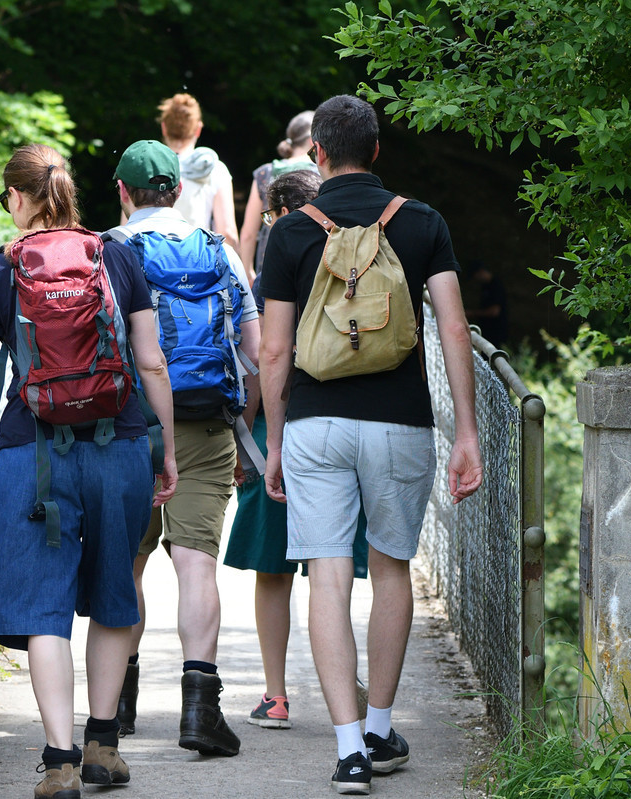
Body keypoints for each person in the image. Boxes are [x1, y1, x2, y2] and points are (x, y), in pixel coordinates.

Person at [258, 95, 483, 795]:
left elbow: (273, 351)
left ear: (317, 153)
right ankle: (382, 726)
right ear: (377, 150)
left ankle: (349, 748)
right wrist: (467, 431)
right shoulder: (421, 222)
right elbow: (453, 329)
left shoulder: (291, 232)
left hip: (315, 423)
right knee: (390, 571)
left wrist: (273, 442)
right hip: (400, 422)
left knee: (326, 576)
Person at [0, 143, 178, 799]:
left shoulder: (1, 270)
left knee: (43, 608)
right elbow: (151, 362)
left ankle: (58, 761)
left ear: (16, 197)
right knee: (114, 592)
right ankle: (102, 747)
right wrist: (165, 450)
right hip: (119, 445)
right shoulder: (116, 255)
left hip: (32, 451)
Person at [109, 139, 260, 757]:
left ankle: (116, 706)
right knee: (196, 563)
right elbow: (254, 351)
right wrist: (243, 428)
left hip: (125, 429)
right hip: (204, 424)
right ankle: (200, 713)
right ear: (177, 190)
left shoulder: (107, 251)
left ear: (123, 192)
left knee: (127, 563)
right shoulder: (218, 251)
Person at [225, 169, 370, 732]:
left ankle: (276, 696)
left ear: (282, 214)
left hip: (283, 428)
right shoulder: (360, 256)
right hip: (349, 422)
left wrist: (249, 438)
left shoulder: (280, 259)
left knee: (273, 570)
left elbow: (268, 355)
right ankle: (348, 691)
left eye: (267, 216)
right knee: (333, 570)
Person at [236, 111, 319, 279]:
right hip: (311, 265)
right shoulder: (320, 172)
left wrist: (248, 272)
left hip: (269, 263)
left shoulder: (264, 172)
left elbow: (248, 233)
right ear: (313, 141)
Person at [158, 93, 240, 246]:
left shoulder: (148, 168)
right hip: (197, 255)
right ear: (198, 129)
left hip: (153, 256)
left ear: (164, 127)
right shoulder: (215, 169)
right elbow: (227, 232)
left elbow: (127, 226)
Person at [463, 258, 510, 345]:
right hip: (488, 331)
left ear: (480, 272)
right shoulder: (485, 286)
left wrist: (472, 313)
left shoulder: (496, 285)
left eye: (475, 275)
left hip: (496, 333)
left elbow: (494, 311)